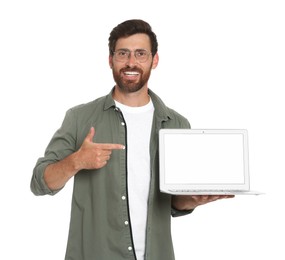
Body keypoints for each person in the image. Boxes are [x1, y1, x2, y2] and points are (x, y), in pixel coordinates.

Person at [31, 19, 234, 260]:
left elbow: (172, 203)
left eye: (140, 54)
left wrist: (191, 200)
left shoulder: (177, 124)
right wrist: (76, 161)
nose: (131, 62)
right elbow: (39, 182)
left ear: (154, 60)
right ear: (110, 60)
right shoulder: (80, 118)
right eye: (122, 54)